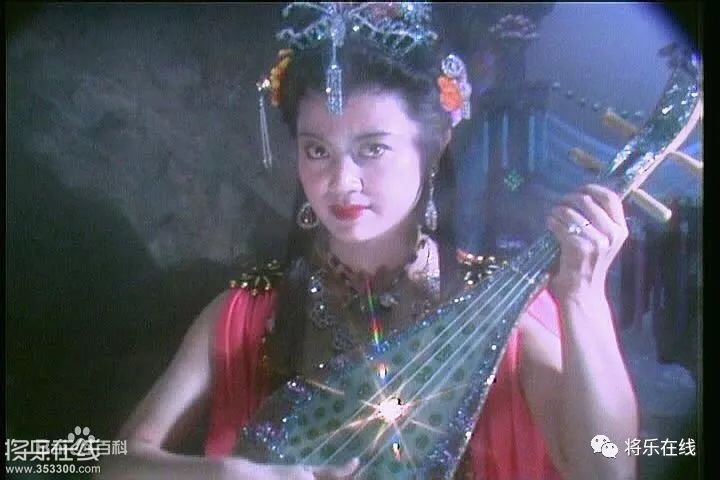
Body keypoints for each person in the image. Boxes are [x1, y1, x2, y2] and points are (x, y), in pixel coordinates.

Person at [100, 3, 638, 479]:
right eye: (317, 151)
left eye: (372, 149)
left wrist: (583, 297)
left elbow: (606, 464)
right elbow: (113, 463)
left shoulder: (503, 306)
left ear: (435, 144)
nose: (341, 181)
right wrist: (222, 474)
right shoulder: (245, 313)